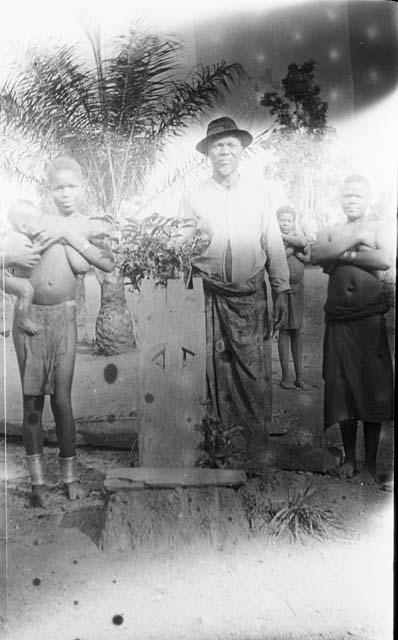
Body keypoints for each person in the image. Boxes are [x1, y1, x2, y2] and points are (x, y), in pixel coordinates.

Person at [178, 117, 290, 472]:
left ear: (241, 149)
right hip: (210, 295)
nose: (224, 151)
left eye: (230, 145)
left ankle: (256, 452)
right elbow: (181, 242)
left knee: (253, 373)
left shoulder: (259, 193)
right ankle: (220, 450)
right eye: (217, 146)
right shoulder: (194, 194)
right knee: (214, 372)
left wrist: (281, 288)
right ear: (208, 153)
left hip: (250, 295)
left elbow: (272, 242)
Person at [11, 156, 114, 507]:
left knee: (62, 401)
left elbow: (108, 262)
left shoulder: (88, 223)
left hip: (64, 316)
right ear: (48, 189)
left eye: (72, 186)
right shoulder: (36, 221)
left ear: (83, 187)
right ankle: (39, 484)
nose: (65, 193)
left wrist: (69, 234)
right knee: (31, 405)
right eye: (58, 187)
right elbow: (8, 253)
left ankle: (69, 478)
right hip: (30, 319)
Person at [311, 174, 394, 485]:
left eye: (358, 196)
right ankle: (349, 457)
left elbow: (384, 258)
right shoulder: (331, 230)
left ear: (368, 199)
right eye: (347, 196)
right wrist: (357, 240)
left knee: (372, 385)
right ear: (340, 199)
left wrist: (341, 255)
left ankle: (371, 461)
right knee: (342, 386)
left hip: (369, 317)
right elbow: (318, 254)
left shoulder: (379, 227)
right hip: (339, 319)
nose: (352, 201)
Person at [276, 205, 309, 390]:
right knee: (284, 330)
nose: (286, 223)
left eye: (289, 220)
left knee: (297, 331)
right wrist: (293, 249)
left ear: (294, 222)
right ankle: (285, 377)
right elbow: (276, 255)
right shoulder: (274, 238)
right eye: (282, 220)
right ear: (277, 221)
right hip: (281, 289)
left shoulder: (295, 236)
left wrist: (291, 243)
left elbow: (306, 249)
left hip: (298, 289)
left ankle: (300, 377)